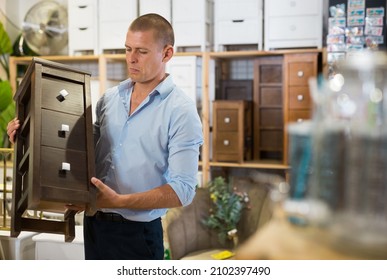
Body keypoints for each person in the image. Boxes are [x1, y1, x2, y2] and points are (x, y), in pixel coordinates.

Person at [7, 13, 203, 260]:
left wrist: (118, 200)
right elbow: (80, 150)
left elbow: (183, 190)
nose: (131, 59)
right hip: (95, 227)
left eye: (142, 51)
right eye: (128, 49)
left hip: (138, 236)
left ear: (166, 54)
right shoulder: (110, 98)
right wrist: (27, 137)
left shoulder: (181, 111)